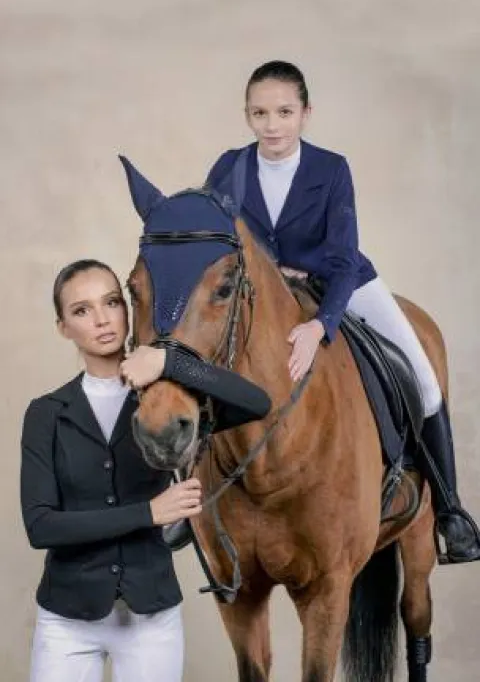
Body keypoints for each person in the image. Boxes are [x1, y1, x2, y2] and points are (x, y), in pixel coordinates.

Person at [204, 59, 480, 565]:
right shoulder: (229, 167)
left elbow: (343, 255)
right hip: (265, 294)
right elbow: (214, 241)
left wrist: (320, 325)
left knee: (423, 379)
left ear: (305, 113)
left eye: (284, 112)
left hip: (342, 282)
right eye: (260, 113)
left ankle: (450, 511)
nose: (272, 125)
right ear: (247, 115)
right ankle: (190, 502)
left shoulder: (331, 169)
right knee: (201, 360)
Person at [21, 259, 271, 682]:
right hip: (66, 621)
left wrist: (169, 364)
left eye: (111, 302)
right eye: (81, 310)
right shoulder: (46, 413)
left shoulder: (168, 405)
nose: (102, 319)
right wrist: (149, 513)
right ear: (63, 327)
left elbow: (258, 403)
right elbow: (41, 526)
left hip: (151, 622)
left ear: (128, 309)